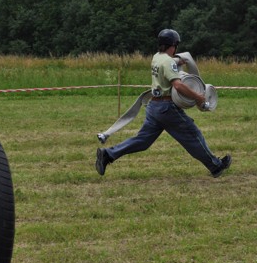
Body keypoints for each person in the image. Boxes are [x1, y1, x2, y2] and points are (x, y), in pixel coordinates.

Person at [95, 28, 232, 178]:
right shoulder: (168, 62)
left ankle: (108, 154)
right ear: (173, 45)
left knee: (143, 141)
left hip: (154, 106)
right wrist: (198, 97)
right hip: (167, 109)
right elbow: (178, 85)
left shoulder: (156, 57)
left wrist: (180, 61)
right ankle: (215, 166)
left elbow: (168, 64)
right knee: (193, 135)